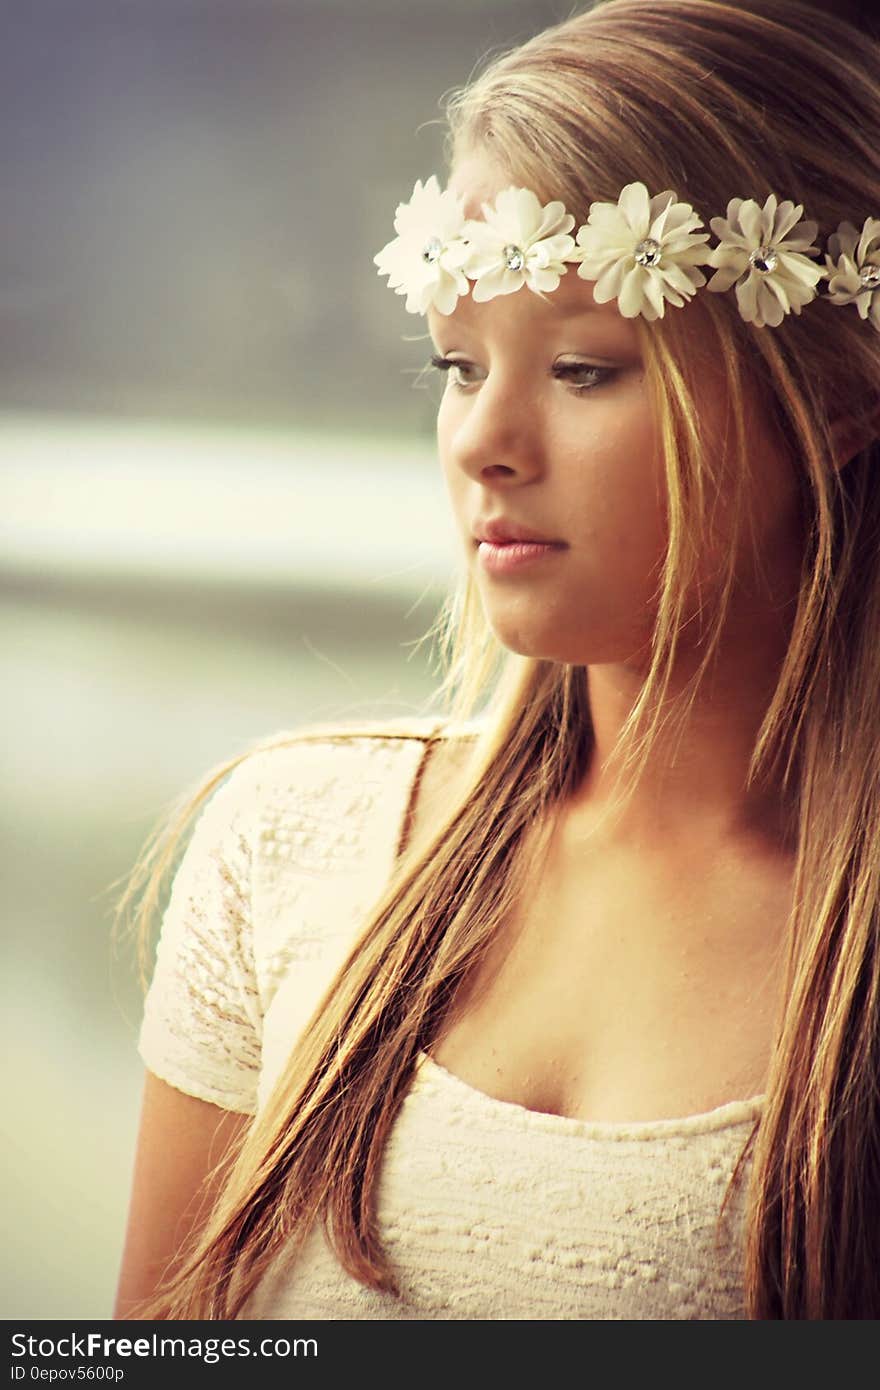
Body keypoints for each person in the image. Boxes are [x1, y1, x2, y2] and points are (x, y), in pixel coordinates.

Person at [114, 0, 880, 1321]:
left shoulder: (846, 959)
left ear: (832, 400)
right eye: (458, 364)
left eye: (583, 368)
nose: (482, 441)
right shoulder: (289, 842)